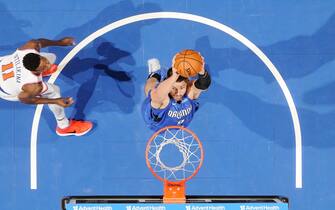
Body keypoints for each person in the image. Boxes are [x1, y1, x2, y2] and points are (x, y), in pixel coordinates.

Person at [0, 37, 92, 136]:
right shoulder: (34, 86)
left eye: (44, 62)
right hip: (6, 90)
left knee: (51, 57)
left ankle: (42, 68)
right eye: (43, 67)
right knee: (54, 91)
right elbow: (24, 99)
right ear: (34, 71)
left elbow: (40, 42)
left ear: (36, 54)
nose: (48, 65)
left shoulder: (32, 45)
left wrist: (61, 42)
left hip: (3, 65)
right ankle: (64, 127)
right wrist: (55, 101)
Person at [142, 54, 211, 131]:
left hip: (182, 123)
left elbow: (204, 85)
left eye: (182, 87)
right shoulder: (164, 100)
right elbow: (156, 95)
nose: (178, 92)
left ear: (187, 84)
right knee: (151, 90)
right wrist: (174, 77)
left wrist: (202, 72)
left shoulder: (189, 91)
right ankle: (154, 73)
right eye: (174, 88)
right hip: (157, 125)